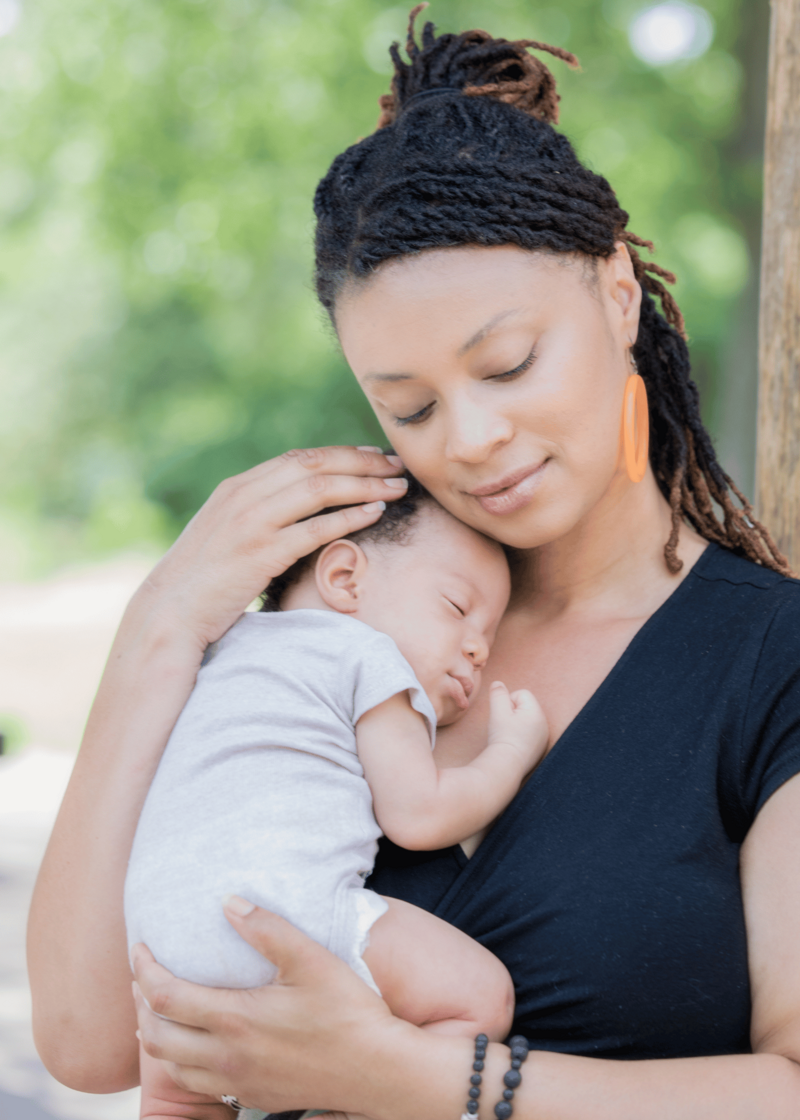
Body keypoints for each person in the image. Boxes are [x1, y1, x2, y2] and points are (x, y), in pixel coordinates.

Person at [28, 8, 800, 1119]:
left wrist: (426, 1079)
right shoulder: (332, 627)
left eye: (508, 362)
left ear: (615, 294)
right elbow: (93, 1039)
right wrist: (164, 622)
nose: (470, 437)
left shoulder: (764, 656)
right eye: (410, 406)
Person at [125, 482, 547, 1120]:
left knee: (179, 1100)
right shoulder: (367, 655)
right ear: (345, 577)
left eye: (488, 634)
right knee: (478, 1000)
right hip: (288, 917)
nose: (478, 648)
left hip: (160, 940)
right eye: (458, 607)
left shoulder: (217, 651)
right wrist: (511, 753)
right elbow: (418, 814)